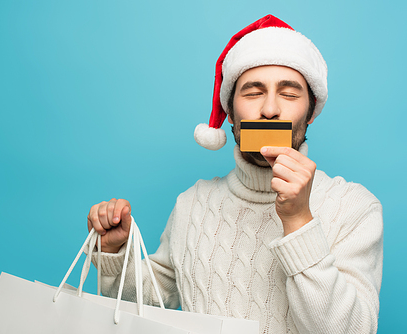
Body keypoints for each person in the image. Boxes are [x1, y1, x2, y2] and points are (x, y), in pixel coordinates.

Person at [86, 15, 383, 334]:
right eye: (253, 93)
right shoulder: (193, 203)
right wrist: (113, 251)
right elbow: (145, 304)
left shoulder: (355, 208)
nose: (270, 110)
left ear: (310, 112)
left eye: (289, 94)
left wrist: (299, 221)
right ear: (230, 111)